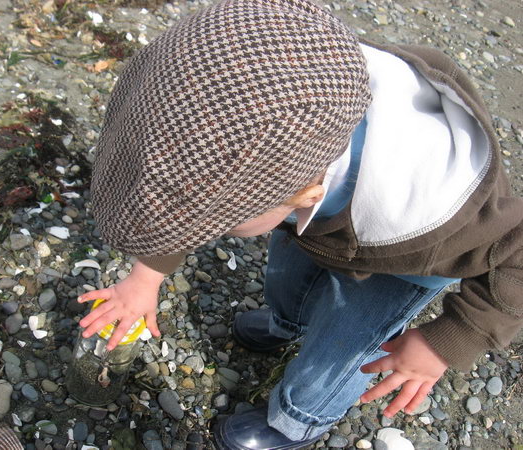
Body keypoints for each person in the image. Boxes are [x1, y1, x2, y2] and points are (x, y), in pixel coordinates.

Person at [77, 0, 523, 448]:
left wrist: (449, 341)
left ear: (306, 193)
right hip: (327, 220)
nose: (208, 227)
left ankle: (298, 422)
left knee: (341, 351)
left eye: (222, 220)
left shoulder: (439, 213)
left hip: (407, 256)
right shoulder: (296, 77)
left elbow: (518, 251)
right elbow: (191, 185)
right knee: (288, 279)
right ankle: (287, 323)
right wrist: (146, 274)